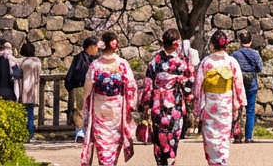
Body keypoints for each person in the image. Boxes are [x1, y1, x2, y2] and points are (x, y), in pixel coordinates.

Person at [80, 31, 137, 166]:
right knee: (113, 143)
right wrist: (130, 107)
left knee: (102, 144)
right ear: (115, 45)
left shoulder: (95, 65)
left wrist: (86, 106)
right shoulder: (122, 64)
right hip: (117, 109)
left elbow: (87, 89)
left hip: (99, 108)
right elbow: (131, 87)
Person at [139, 28, 193, 166]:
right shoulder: (180, 62)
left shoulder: (155, 61)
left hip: (158, 104)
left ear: (163, 43)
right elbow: (188, 82)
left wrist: (145, 103)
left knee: (159, 138)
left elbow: (148, 84)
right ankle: (171, 160)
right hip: (175, 103)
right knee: (173, 136)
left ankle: (161, 163)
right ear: (176, 43)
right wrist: (189, 96)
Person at [194, 30, 246, 166]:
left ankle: (213, 162)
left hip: (210, 105)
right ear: (226, 45)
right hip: (225, 105)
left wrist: (197, 106)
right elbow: (238, 84)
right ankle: (222, 161)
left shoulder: (206, 62)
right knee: (223, 136)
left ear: (212, 45)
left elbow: (198, 85)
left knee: (210, 136)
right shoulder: (231, 62)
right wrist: (241, 102)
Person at [67, 36, 99, 143]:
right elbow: (74, 74)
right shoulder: (79, 58)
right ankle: (80, 132)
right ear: (90, 47)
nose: (97, 49)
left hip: (95, 89)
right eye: (95, 46)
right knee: (79, 109)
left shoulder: (98, 59)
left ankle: (93, 132)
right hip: (80, 87)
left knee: (95, 110)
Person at [232, 31, 263, 144]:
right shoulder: (255, 54)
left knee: (237, 110)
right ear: (250, 41)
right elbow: (260, 68)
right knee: (250, 111)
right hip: (252, 85)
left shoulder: (235, 54)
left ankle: (237, 136)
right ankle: (248, 137)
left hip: (238, 85)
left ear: (240, 41)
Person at [20, 42, 42, 141]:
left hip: (24, 88)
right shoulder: (37, 61)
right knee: (31, 113)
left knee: (23, 113)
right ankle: (31, 134)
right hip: (33, 88)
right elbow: (38, 76)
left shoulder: (24, 62)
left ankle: (24, 133)